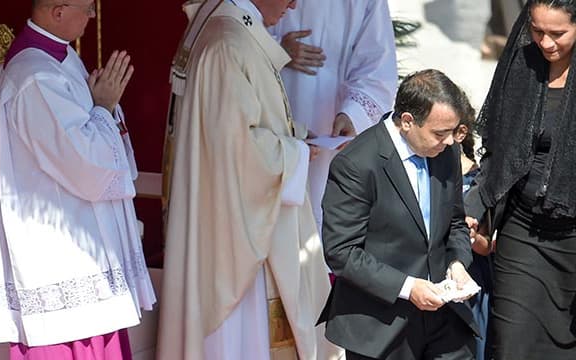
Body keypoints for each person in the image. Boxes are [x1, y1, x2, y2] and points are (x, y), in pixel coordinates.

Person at [157, 0, 338, 359]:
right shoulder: (228, 42)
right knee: (241, 342)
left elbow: (245, 124)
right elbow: (234, 149)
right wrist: (295, 153)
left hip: (241, 221)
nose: (294, 4)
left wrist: (297, 137)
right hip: (233, 235)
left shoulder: (235, 32)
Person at [0, 1, 156, 358]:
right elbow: (84, 164)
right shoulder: (35, 77)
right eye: (87, 8)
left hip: (84, 246)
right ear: (59, 11)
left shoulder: (60, 57)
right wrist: (105, 106)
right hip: (62, 258)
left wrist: (102, 105)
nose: (93, 16)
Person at [319, 69, 479, 360]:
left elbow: (455, 221)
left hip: (446, 322)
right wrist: (408, 288)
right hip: (380, 326)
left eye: (453, 132)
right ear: (407, 121)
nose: (450, 142)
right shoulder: (356, 163)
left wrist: (457, 262)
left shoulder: (446, 153)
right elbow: (342, 251)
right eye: (440, 133)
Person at [465, 1, 576, 358]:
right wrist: (476, 208)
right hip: (523, 232)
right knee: (512, 345)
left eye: (558, 33)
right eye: (537, 30)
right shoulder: (523, 64)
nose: (545, 43)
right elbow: (499, 151)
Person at [270, 0, 398, 232]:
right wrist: (275, 48)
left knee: (313, 218)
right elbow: (234, 21)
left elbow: (377, 65)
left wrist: (353, 115)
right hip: (267, 112)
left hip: (326, 123)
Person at [455, 107, 493, 360]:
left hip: (472, 284)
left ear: (460, 133)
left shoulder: (482, 180)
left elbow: (489, 244)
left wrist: (470, 237)